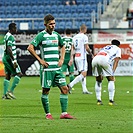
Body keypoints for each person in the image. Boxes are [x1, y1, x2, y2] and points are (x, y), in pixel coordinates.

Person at [27, 14, 75, 120]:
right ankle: (48, 114)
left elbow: (62, 45)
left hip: (57, 69)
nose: (53, 26)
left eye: (54, 23)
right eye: (50, 24)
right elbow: (30, 48)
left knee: (65, 89)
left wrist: (62, 59)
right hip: (47, 69)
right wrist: (40, 60)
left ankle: (64, 113)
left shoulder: (57, 35)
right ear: (45, 25)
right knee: (46, 91)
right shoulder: (41, 35)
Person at [92, 39, 121, 105]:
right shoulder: (118, 49)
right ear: (118, 45)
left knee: (98, 79)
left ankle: (99, 100)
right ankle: (111, 100)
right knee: (111, 79)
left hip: (95, 59)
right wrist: (112, 73)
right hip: (104, 60)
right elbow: (116, 60)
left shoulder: (106, 47)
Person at [67, 24, 93, 94]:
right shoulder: (84, 37)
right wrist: (91, 54)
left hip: (77, 57)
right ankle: (70, 85)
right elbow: (87, 47)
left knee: (81, 74)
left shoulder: (74, 37)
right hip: (82, 57)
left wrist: (71, 58)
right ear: (85, 29)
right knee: (84, 74)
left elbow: (72, 48)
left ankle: (84, 90)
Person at [2, 23, 22, 100]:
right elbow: (9, 49)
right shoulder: (10, 37)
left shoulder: (6, 35)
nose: (16, 29)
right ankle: (11, 91)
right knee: (19, 74)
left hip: (5, 57)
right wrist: (14, 61)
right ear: (11, 29)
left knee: (8, 76)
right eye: (15, 28)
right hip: (9, 58)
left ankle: (4, 95)